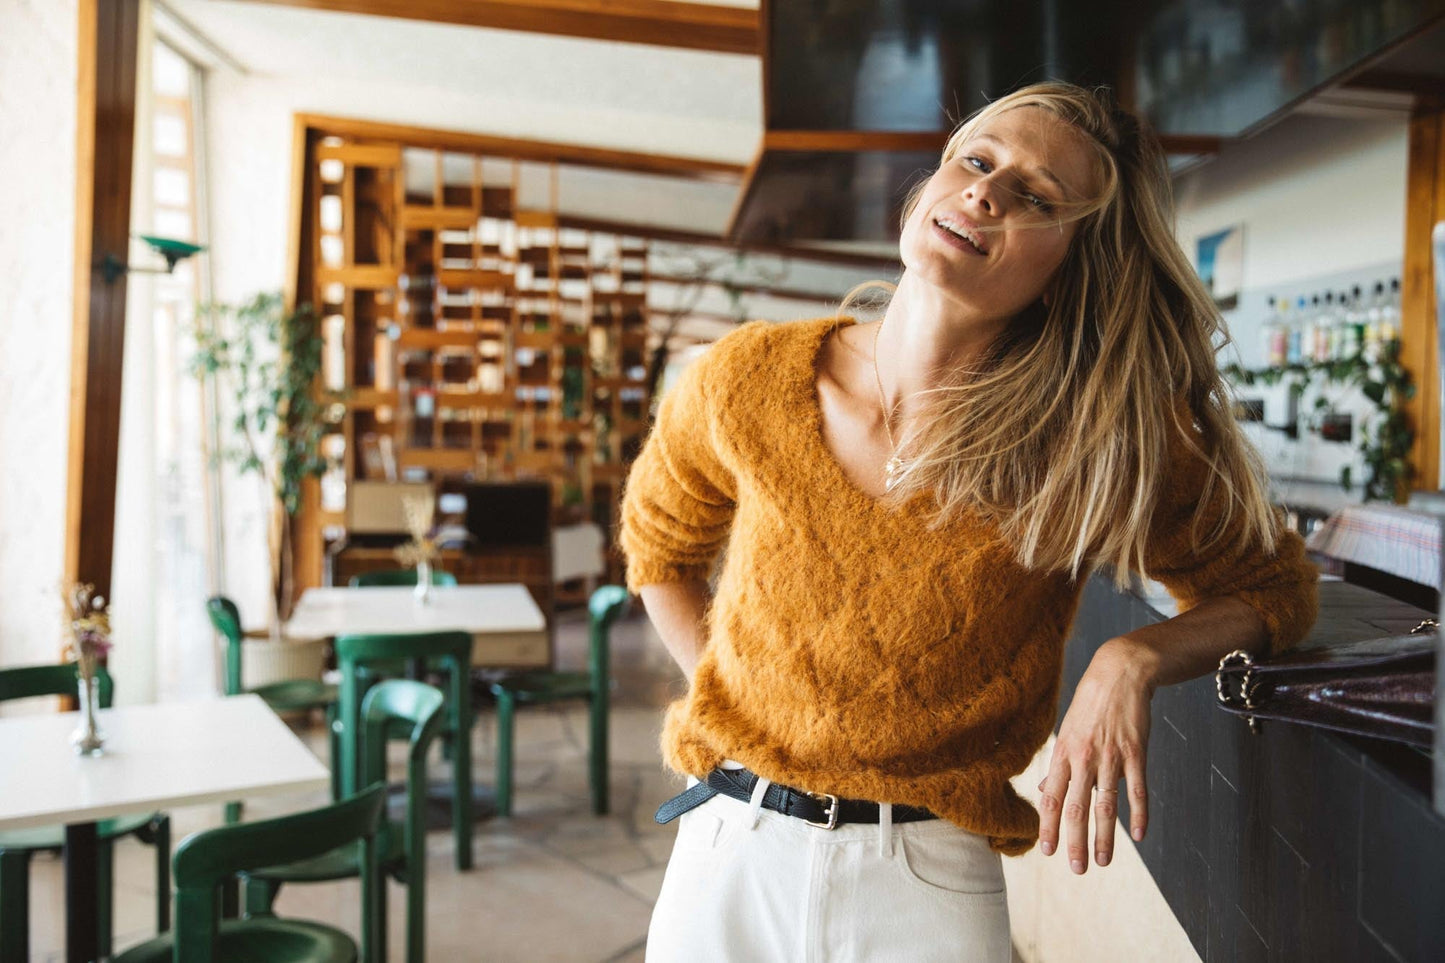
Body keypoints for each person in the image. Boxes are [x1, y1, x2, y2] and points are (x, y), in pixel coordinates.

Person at [618, 80, 1318, 962]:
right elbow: (659, 546)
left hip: (924, 878)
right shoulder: (748, 375)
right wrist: (739, 711)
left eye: (1036, 198)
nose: (985, 193)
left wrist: (1131, 658)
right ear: (931, 185)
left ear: (1072, 264)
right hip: (730, 848)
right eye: (976, 161)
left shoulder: (1087, 440)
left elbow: (1271, 590)